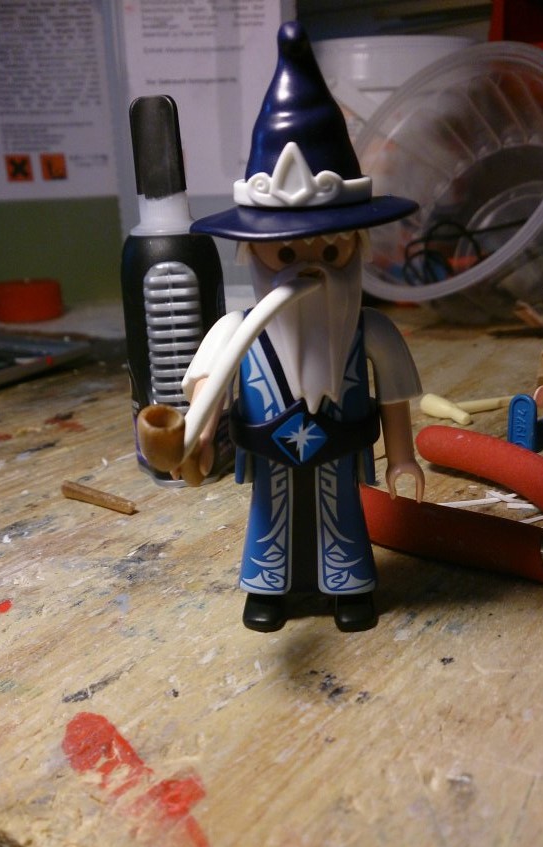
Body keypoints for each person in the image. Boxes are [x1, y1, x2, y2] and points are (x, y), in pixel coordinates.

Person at [141, 21, 425, 633]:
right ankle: (267, 591)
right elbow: (207, 399)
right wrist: (195, 441)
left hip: (340, 456)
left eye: (332, 251)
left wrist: (401, 459)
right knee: (268, 522)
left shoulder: (368, 332)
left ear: (356, 246)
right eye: (287, 253)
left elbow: (394, 402)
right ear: (254, 253)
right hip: (269, 461)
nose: (311, 268)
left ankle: (348, 590)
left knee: (341, 520)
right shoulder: (232, 333)